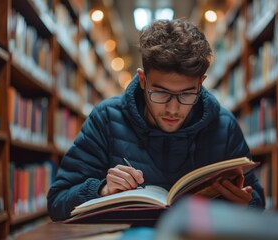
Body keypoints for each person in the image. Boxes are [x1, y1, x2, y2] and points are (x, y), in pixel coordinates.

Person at [47, 18, 265, 221]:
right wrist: (102, 190)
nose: (173, 109)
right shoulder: (106, 119)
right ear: (143, 80)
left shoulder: (224, 125)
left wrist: (247, 205)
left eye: (186, 94)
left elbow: (256, 199)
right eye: (160, 93)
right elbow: (57, 202)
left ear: (201, 83)